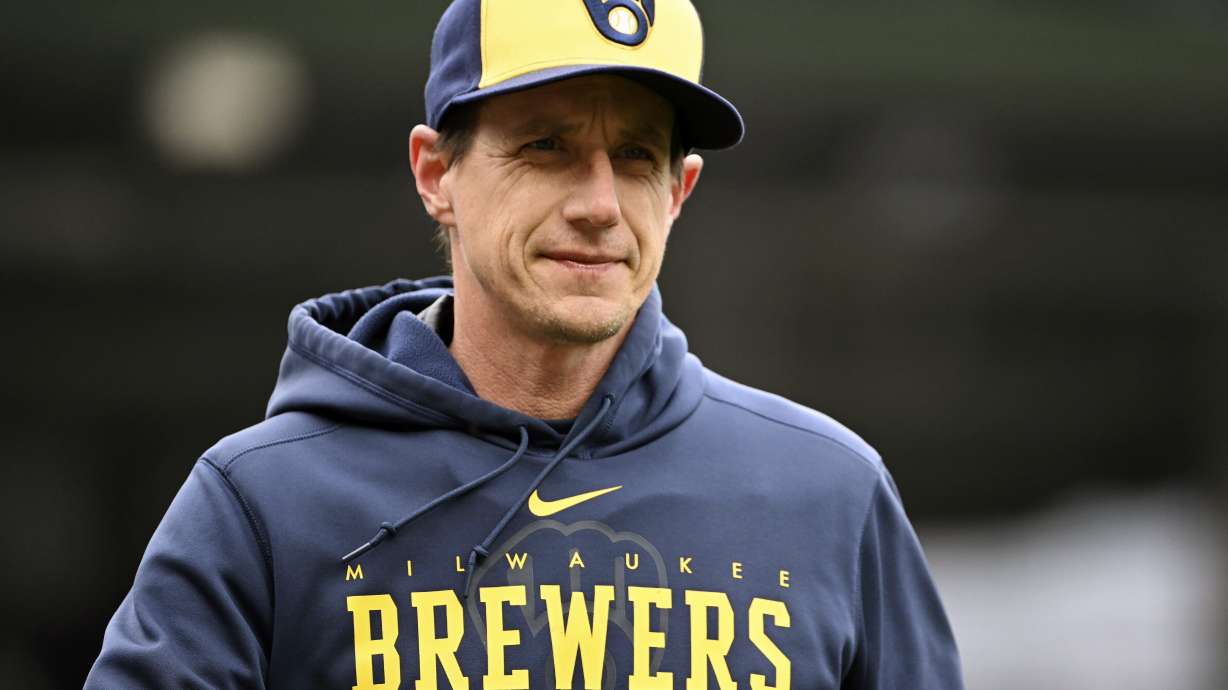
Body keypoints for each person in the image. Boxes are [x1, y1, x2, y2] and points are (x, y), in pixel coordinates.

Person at [87, 0, 965, 688]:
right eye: (545, 146)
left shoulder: (830, 495)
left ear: (680, 190)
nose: (598, 203)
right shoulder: (266, 505)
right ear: (437, 174)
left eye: (635, 157)